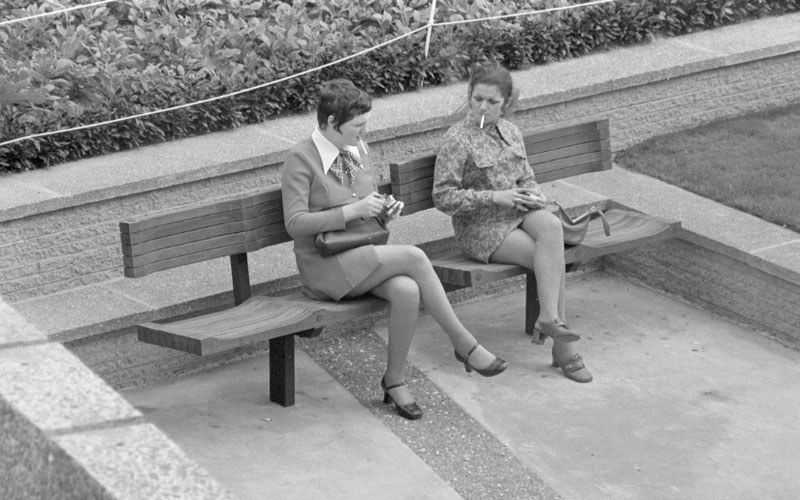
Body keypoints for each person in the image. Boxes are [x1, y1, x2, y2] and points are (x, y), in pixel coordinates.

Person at [280, 79, 509, 420]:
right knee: (415, 257)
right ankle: (464, 344)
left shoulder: (356, 150)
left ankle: (394, 381)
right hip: (324, 265)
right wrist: (351, 213)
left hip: (361, 253)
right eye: (357, 125)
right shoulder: (301, 160)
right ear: (330, 122)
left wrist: (383, 211)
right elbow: (295, 224)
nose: (364, 131)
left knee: (407, 290)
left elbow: (362, 201)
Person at [432, 63, 593, 383]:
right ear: (469, 95)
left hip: (518, 214)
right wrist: (495, 197)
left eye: (492, 102)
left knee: (551, 227)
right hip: (482, 228)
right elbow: (443, 197)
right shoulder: (457, 138)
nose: (483, 106)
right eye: (477, 98)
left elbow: (528, 178)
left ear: (506, 103)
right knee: (549, 257)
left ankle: (549, 318)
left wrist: (533, 194)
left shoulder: (511, 132)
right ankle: (563, 348)